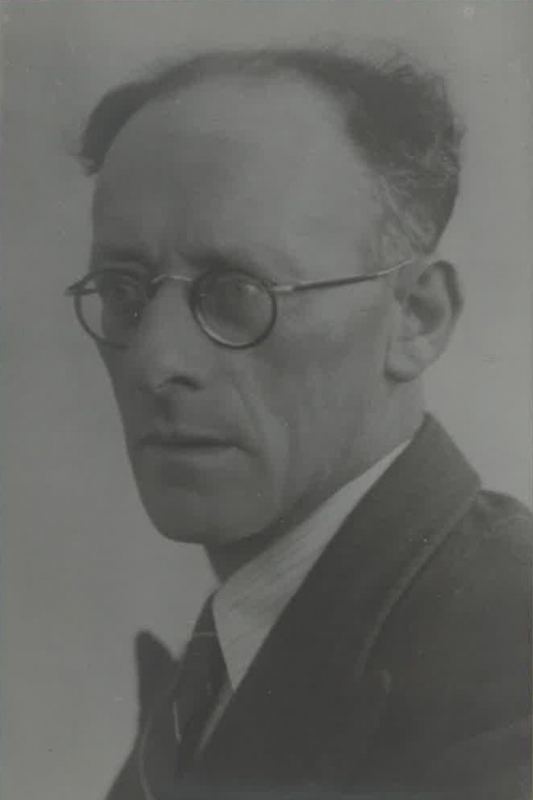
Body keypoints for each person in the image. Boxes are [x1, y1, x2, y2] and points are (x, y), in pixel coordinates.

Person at [66, 47, 532, 799]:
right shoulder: (234, 648)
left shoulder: (509, 672)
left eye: (236, 291)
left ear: (416, 317)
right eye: (124, 291)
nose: (154, 360)